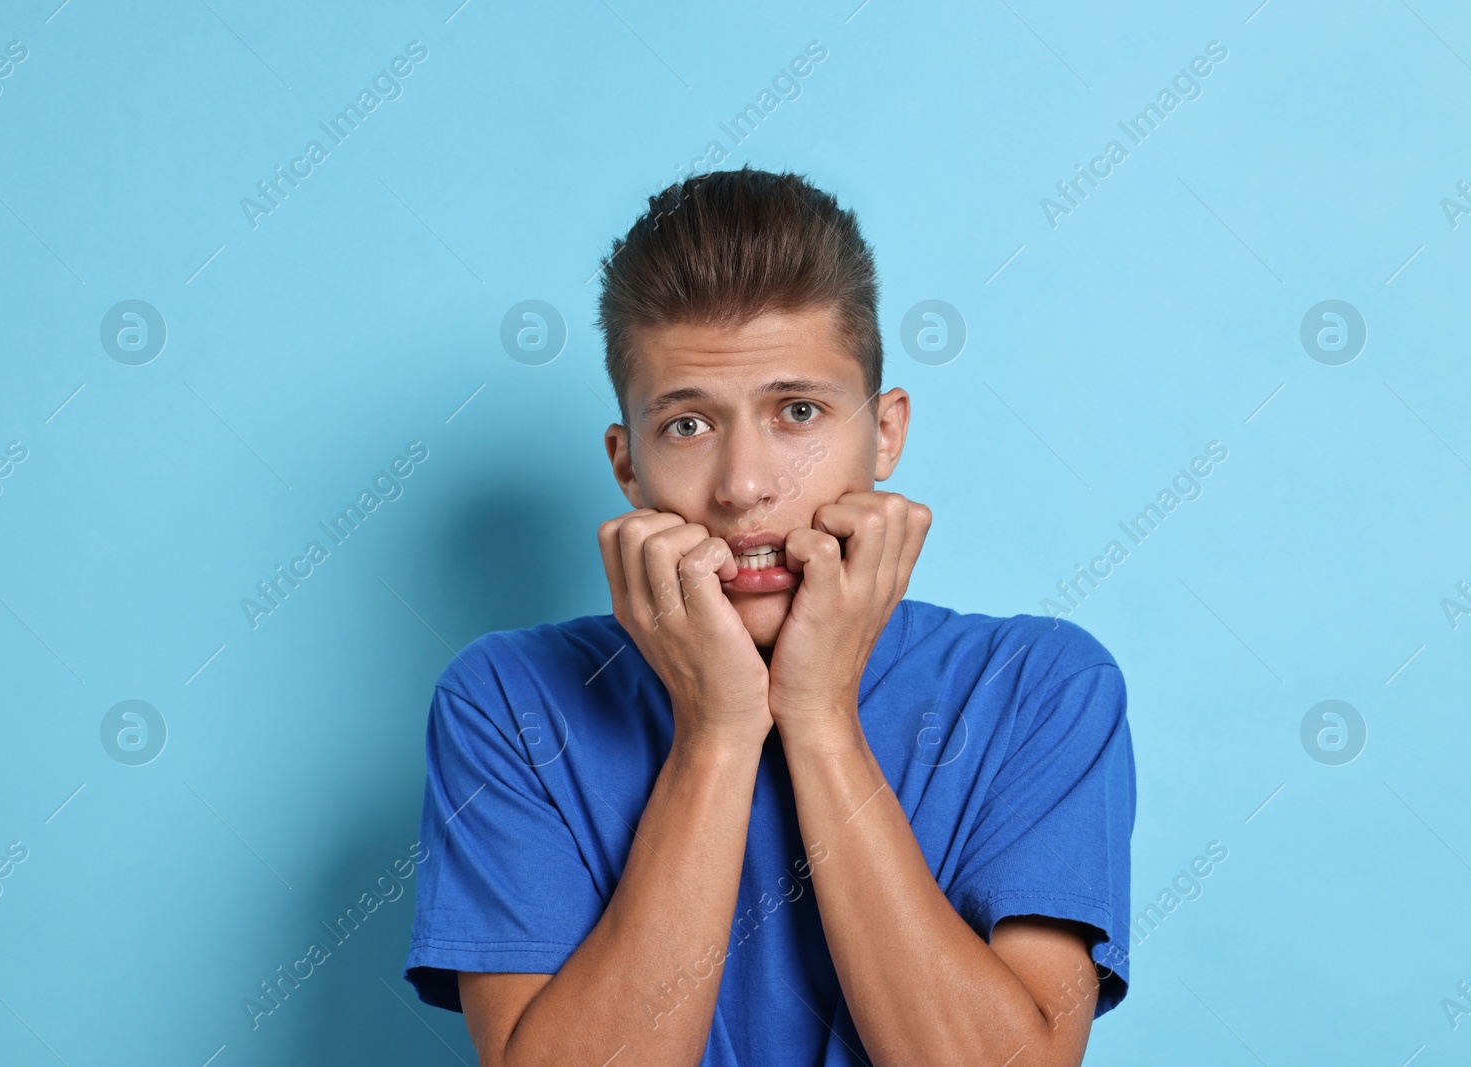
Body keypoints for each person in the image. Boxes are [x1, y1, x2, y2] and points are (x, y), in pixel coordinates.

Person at [404, 165, 1135, 1066]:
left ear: (887, 431)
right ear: (626, 464)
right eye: (686, 426)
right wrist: (715, 731)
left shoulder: (1041, 687)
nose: (745, 486)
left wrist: (821, 717)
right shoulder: (507, 702)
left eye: (797, 411)